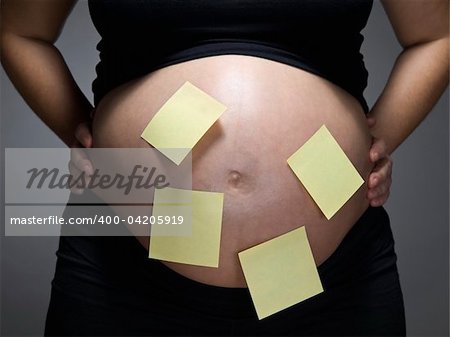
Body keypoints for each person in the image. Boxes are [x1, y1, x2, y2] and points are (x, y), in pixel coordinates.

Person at [1, 0, 447, 336]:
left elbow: (436, 34)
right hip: (121, 269)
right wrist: (79, 127)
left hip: (328, 279)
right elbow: (18, 28)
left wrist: (373, 142)